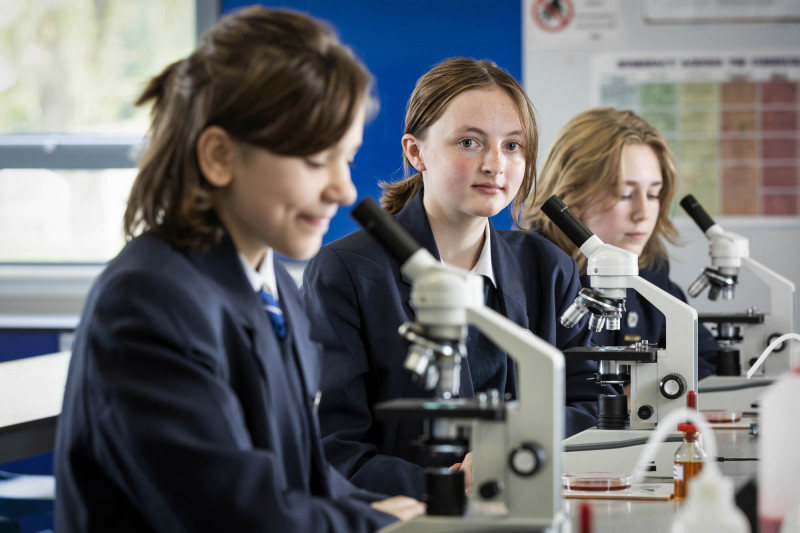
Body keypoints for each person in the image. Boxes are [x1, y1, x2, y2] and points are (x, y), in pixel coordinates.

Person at [53, 7, 425, 532]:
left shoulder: (275, 288)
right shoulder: (147, 300)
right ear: (220, 156)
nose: (343, 190)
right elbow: (233, 515)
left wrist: (383, 508)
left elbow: (300, 473)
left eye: (347, 158)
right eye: (317, 161)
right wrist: (370, 524)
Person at [301, 58, 618, 499]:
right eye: (470, 142)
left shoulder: (546, 266)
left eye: (513, 146)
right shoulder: (347, 271)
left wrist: (518, 443)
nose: (495, 164)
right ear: (416, 152)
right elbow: (332, 450)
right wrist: (447, 485)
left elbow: (592, 401)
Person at [524, 107, 719, 381]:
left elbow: (707, 360)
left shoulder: (651, 273)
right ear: (571, 200)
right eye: (626, 194)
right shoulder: (523, 277)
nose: (643, 213)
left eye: (653, 194)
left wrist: (645, 397)